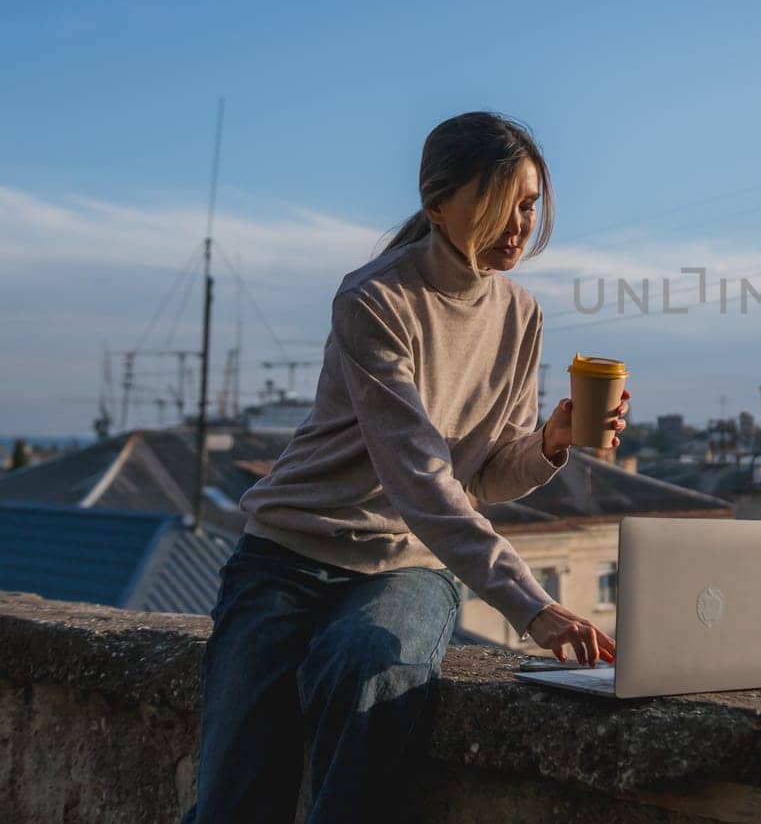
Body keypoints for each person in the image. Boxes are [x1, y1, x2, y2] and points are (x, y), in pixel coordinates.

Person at [181, 112, 625, 823]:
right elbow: (418, 475)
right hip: (285, 556)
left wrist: (550, 441)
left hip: (408, 565)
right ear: (436, 203)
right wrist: (531, 606)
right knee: (235, 798)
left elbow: (481, 476)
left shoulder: (522, 315)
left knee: (367, 667)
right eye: (498, 201)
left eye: (529, 204)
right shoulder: (375, 300)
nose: (519, 224)